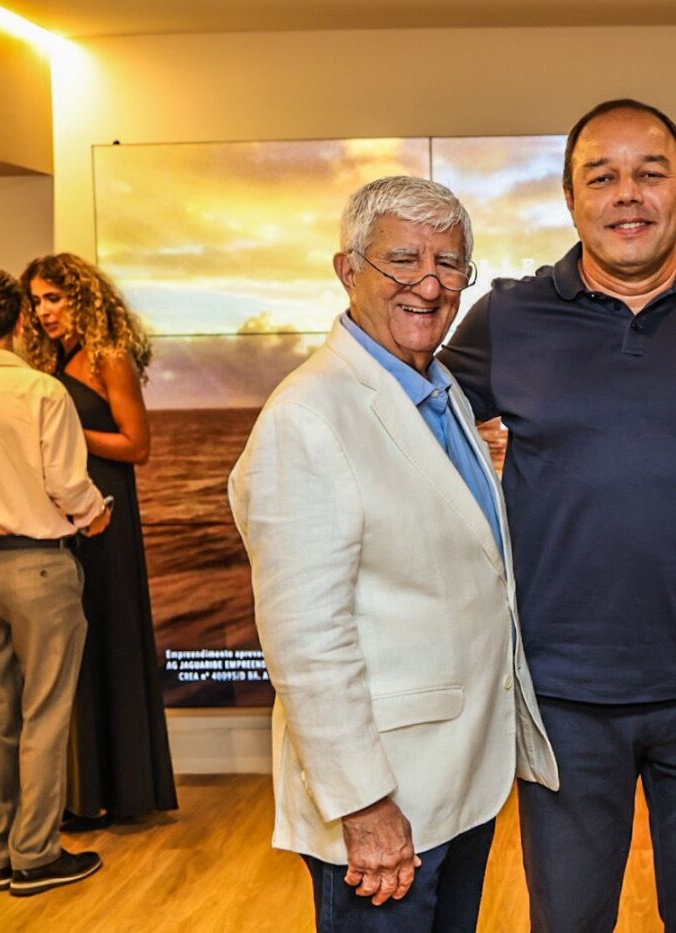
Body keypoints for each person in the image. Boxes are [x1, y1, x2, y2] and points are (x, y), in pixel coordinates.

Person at [440, 99, 676, 933]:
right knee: (568, 920)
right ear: (571, 199)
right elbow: (413, 420)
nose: (626, 194)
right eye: (602, 176)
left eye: (649, 173)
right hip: (562, 691)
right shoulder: (509, 316)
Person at [229, 175, 559, 932]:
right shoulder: (307, 416)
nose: (430, 283)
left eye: (450, 263)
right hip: (385, 803)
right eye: (402, 260)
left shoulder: (442, 393)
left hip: (456, 784)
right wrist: (365, 805)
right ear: (348, 270)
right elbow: (306, 640)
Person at [0, 267, 112, 896]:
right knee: (44, 713)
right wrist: (96, 514)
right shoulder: (41, 391)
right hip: (40, 564)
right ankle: (36, 856)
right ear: (18, 322)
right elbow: (67, 483)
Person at [19, 253, 178, 828]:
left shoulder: (109, 357)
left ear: (81, 297)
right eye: (35, 301)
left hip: (107, 513)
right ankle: (84, 793)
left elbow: (137, 445)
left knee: (107, 639)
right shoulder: (53, 361)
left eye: (53, 298)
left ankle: (120, 792)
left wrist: (65, 433)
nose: (43, 312)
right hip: (67, 519)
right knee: (74, 655)